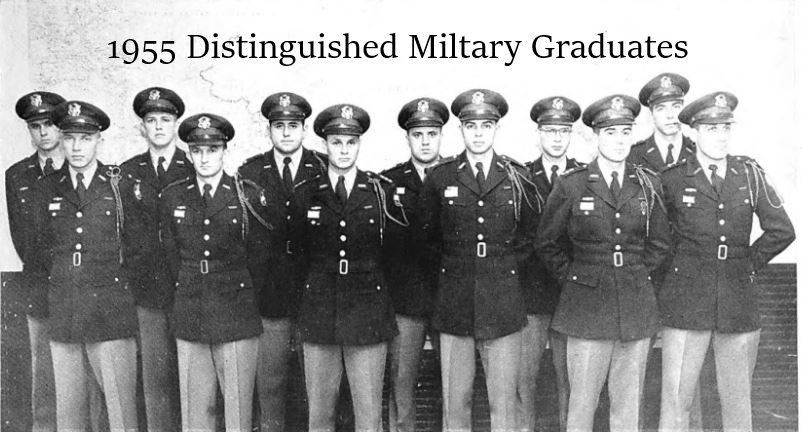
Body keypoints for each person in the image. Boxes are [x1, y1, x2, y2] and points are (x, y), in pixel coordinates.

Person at [658, 92, 795, 432]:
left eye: (725, 128)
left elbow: (782, 230)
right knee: (677, 401)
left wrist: (746, 263)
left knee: (737, 403)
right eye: (710, 129)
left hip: (737, 300)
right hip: (686, 299)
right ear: (692, 133)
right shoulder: (672, 179)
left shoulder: (748, 174)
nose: (720, 136)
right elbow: (658, 241)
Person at [534, 94, 671, 432]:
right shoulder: (573, 183)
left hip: (635, 307)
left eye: (625, 132)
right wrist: (577, 279)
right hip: (585, 309)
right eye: (610, 133)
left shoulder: (647, 184)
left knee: (628, 405)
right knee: (582, 404)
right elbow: (547, 243)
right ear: (595, 136)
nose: (619, 140)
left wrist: (635, 273)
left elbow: (660, 243)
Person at [418, 89, 540, 432]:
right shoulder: (440, 178)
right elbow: (426, 241)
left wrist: (504, 271)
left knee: (504, 404)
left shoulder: (517, 178)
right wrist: (451, 275)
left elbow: (530, 238)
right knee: (456, 403)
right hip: (454, 304)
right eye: (471, 126)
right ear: (461, 129)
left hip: (503, 305)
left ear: (496, 128)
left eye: (486, 125)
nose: (478, 133)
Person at [32, 100, 140, 431]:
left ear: (99, 141)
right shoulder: (47, 187)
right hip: (65, 308)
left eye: (85, 138)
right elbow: (39, 250)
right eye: (70, 138)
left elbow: (137, 250)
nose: (77, 147)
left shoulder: (119, 185)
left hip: (110, 311)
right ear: (61, 140)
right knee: (70, 414)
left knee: (121, 412)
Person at [291, 104, 398, 432]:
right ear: (325, 144)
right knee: (320, 415)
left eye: (350, 142)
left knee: (368, 415)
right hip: (320, 312)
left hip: (367, 314)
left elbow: (391, 256)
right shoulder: (306, 193)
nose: (343, 150)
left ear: (359, 144)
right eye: (336, 142)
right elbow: (298, 256)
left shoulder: (380, 192)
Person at [159, 113, 265, 431]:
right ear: (189, 153)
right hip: (190, 308)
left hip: (236, 310)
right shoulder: (173, 196)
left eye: (212, 150)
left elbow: (259, 258)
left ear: (224, 151)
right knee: (195, 411)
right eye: (197, 151)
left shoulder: (246, 194)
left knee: (237, 410)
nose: (204, 158)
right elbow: (170, 257)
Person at [238, 92, 327, 432]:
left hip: (313, 296)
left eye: (293, 126)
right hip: (269, 297)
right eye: (279, 126)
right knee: (270, 387)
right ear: (269, 131)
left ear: (304, 130)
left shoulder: (322, 168)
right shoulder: (250, 172)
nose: (286, 133)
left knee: (316, 390)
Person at [120, 86, 191, 432]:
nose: (159, 126)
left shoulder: (193, 166)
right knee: (154, 377)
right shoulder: (126, 173)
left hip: (188, 289)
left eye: (166, 119)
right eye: (151, 120)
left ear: (176, 123)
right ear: (141, 127)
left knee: (191, 377)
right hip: (147, 292)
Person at [381, 97, 448, 432]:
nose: (425, 141)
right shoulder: (388, 183)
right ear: (407, 138)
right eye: (418, 134)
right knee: (402, 382)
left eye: (432, 134)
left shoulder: (456, 178)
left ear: (441, 137)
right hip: (406, 301)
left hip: (449, 298)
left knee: (452, 385)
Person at [518, 95, 584, 432]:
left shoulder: (583, 178)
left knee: (569, 381)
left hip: (568, 294)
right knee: (523, 380)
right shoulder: (521, 177)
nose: (556, 138)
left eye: (563, 131)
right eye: (550, 131)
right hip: (530, 294)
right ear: (538, 134)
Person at [8, 91, 65, 432]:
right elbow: (20, 238)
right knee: (43, 373)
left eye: (49, 124)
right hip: (39, 288)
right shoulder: (17, 176)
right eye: (35, 126)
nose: (43, 132)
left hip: (79, 287)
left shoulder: (80, 168)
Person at [628, 73, 695, 171]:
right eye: (661, 109)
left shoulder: (698, 152)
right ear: (651, 114)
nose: (670, 115)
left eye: (676, 106)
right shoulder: (633, 155)